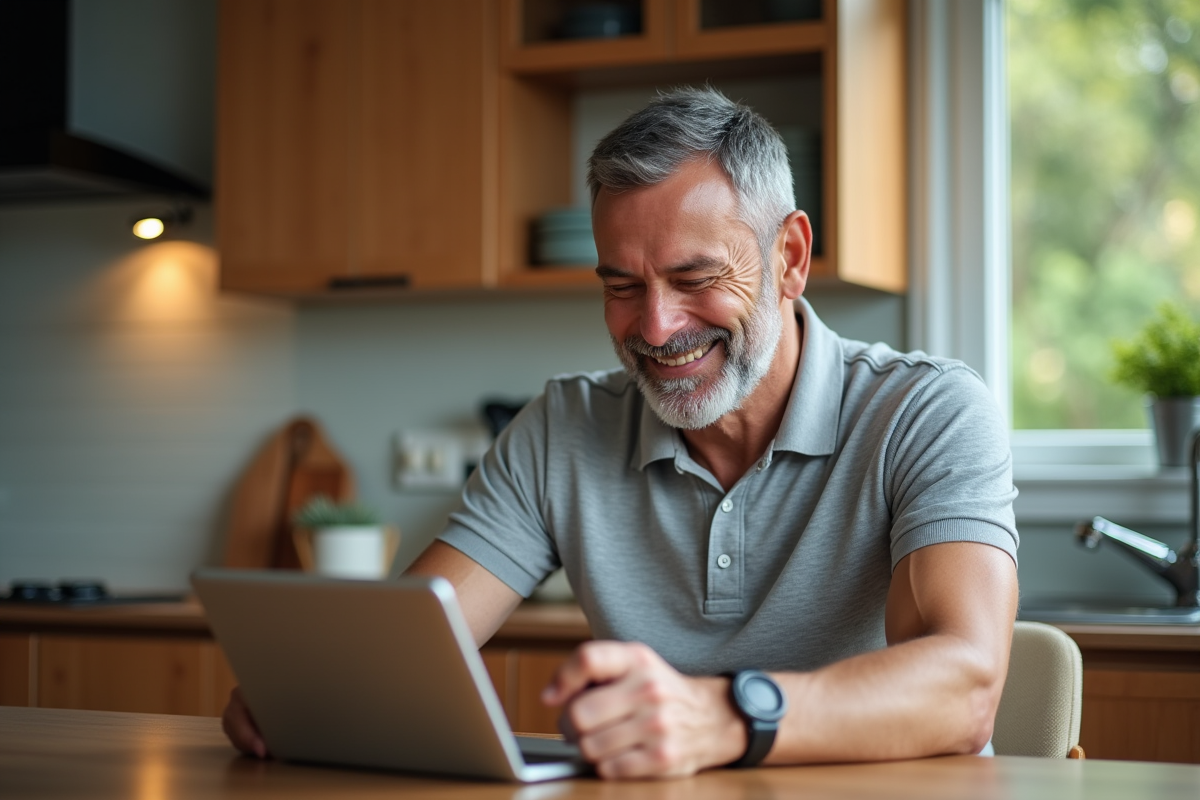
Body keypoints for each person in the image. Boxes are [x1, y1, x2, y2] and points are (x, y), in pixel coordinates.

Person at [223, 87, 1019, 779]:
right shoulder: (563, 428)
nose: (657, 326)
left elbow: (967, 689)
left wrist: (723, 718)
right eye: (621, 286)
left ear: (791, 257)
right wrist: (314, 693)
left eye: (695, 278)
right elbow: (414, 647)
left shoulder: (928, 412)